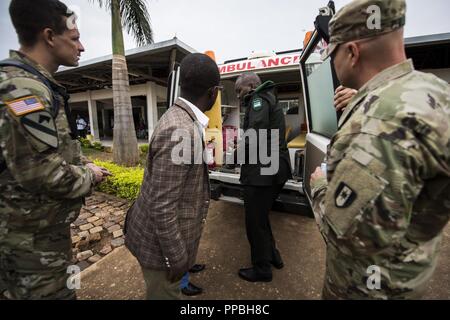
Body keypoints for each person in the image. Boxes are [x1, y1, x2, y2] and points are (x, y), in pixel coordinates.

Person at [310, 0, 450, 299]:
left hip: (367, 287)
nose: (331, 64)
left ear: (352, 52)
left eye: (332, 54)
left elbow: (346, 234)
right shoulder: (434, 91)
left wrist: (320, 185)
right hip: (411, 272)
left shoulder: (377, 121)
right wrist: (364, 97)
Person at [0, 0, 109, 300]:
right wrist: (91, 174)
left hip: (44, 238)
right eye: (74, 39)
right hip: (30, 249)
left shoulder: (36, 85)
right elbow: (43, 173)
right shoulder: (24, 90)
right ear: (49, 37)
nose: (82, 47)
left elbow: (50, 153)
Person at [125, 53, 220, 300]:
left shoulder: (180, 117)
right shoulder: (181, 129)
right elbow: (162, 206)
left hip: (161, 243)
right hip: (160, 252)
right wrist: (176, 258)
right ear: (213, 93)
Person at [235, 73, 292, 283]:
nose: (239, 96)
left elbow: (255, 134)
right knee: (262, 217)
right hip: (275, 170)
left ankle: (262, 269)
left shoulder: (258, 99)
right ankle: (273, 256)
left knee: (254, 221)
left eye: (239, 91)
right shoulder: (269, 97)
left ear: (251, 86)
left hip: (263, 173)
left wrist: (235, 157)